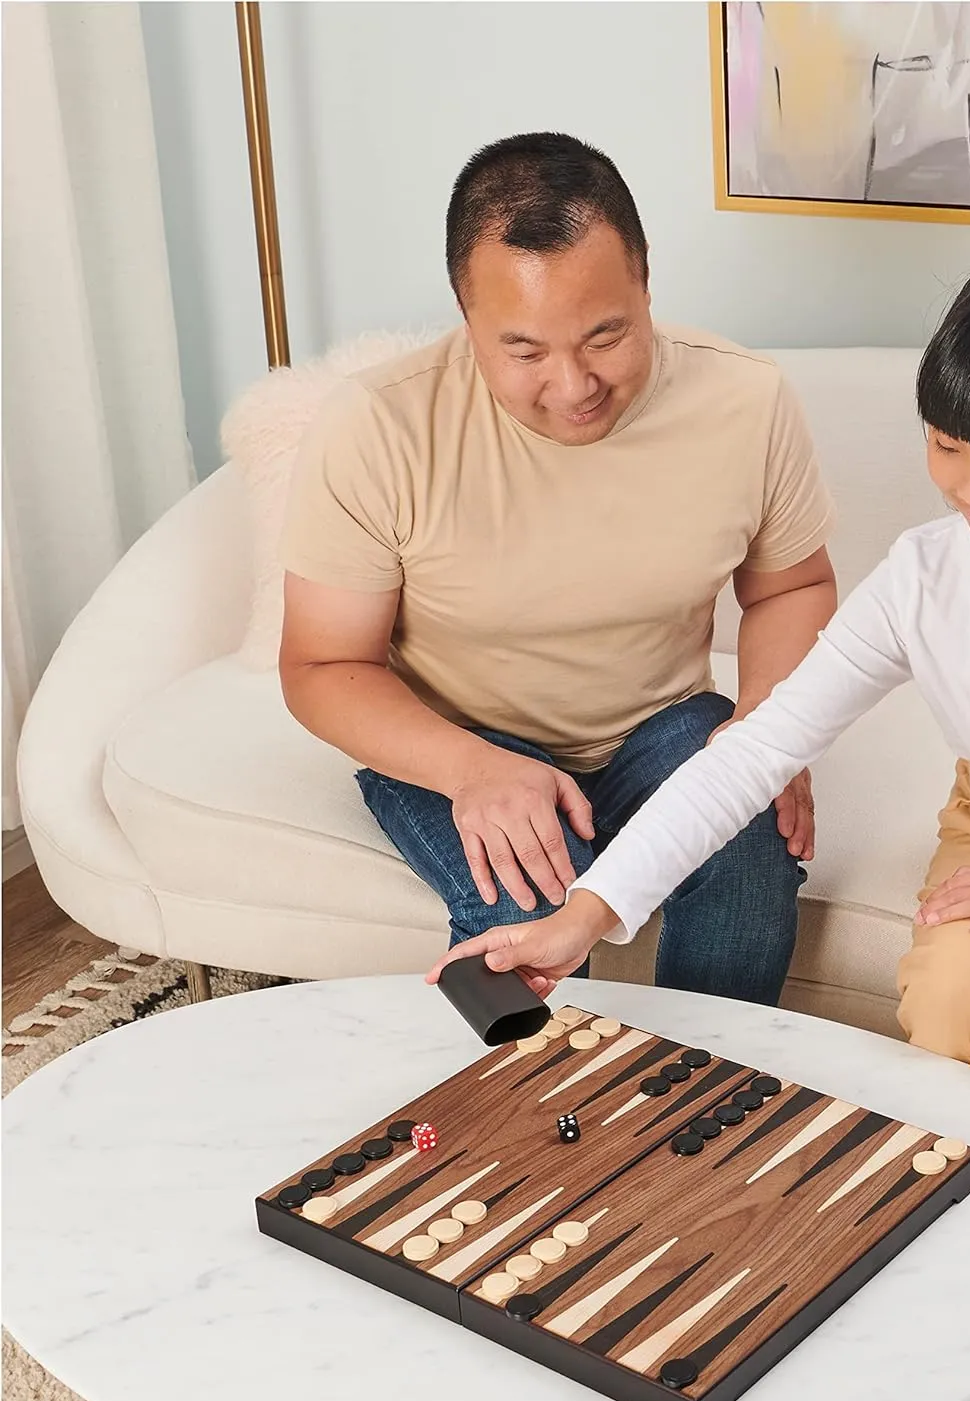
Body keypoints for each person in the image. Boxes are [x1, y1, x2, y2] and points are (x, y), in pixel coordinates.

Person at [429, 227, 970, 1151]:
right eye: (949, 445)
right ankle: (968, 1213)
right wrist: (584, 917)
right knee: (947, 1006)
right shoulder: (925, 574)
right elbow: (759, 750)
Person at [279, 132, 838, 1007]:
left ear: (646, 285)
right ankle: (503, 1125)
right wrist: (472, 773)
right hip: (458, 733)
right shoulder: (378, 427)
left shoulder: (746, 400)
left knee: (748, 849)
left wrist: (768, 726)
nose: (575, 383)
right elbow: (320, 666)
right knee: (524, 893)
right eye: (526, 352)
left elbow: (791, 586)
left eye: (607, 334)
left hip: (660, 723)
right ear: (468, 322)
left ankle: (703, 1107)